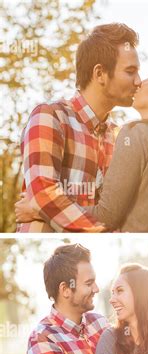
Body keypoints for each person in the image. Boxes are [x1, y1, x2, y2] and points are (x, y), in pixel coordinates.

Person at [16, 23, 141, 232]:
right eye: (130, 71)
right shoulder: (50, 117)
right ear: (100, 73)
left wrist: (44, 211)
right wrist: (103, 230)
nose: (139, 81)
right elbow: (44, 194)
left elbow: (118, 212)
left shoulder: (119, 137)